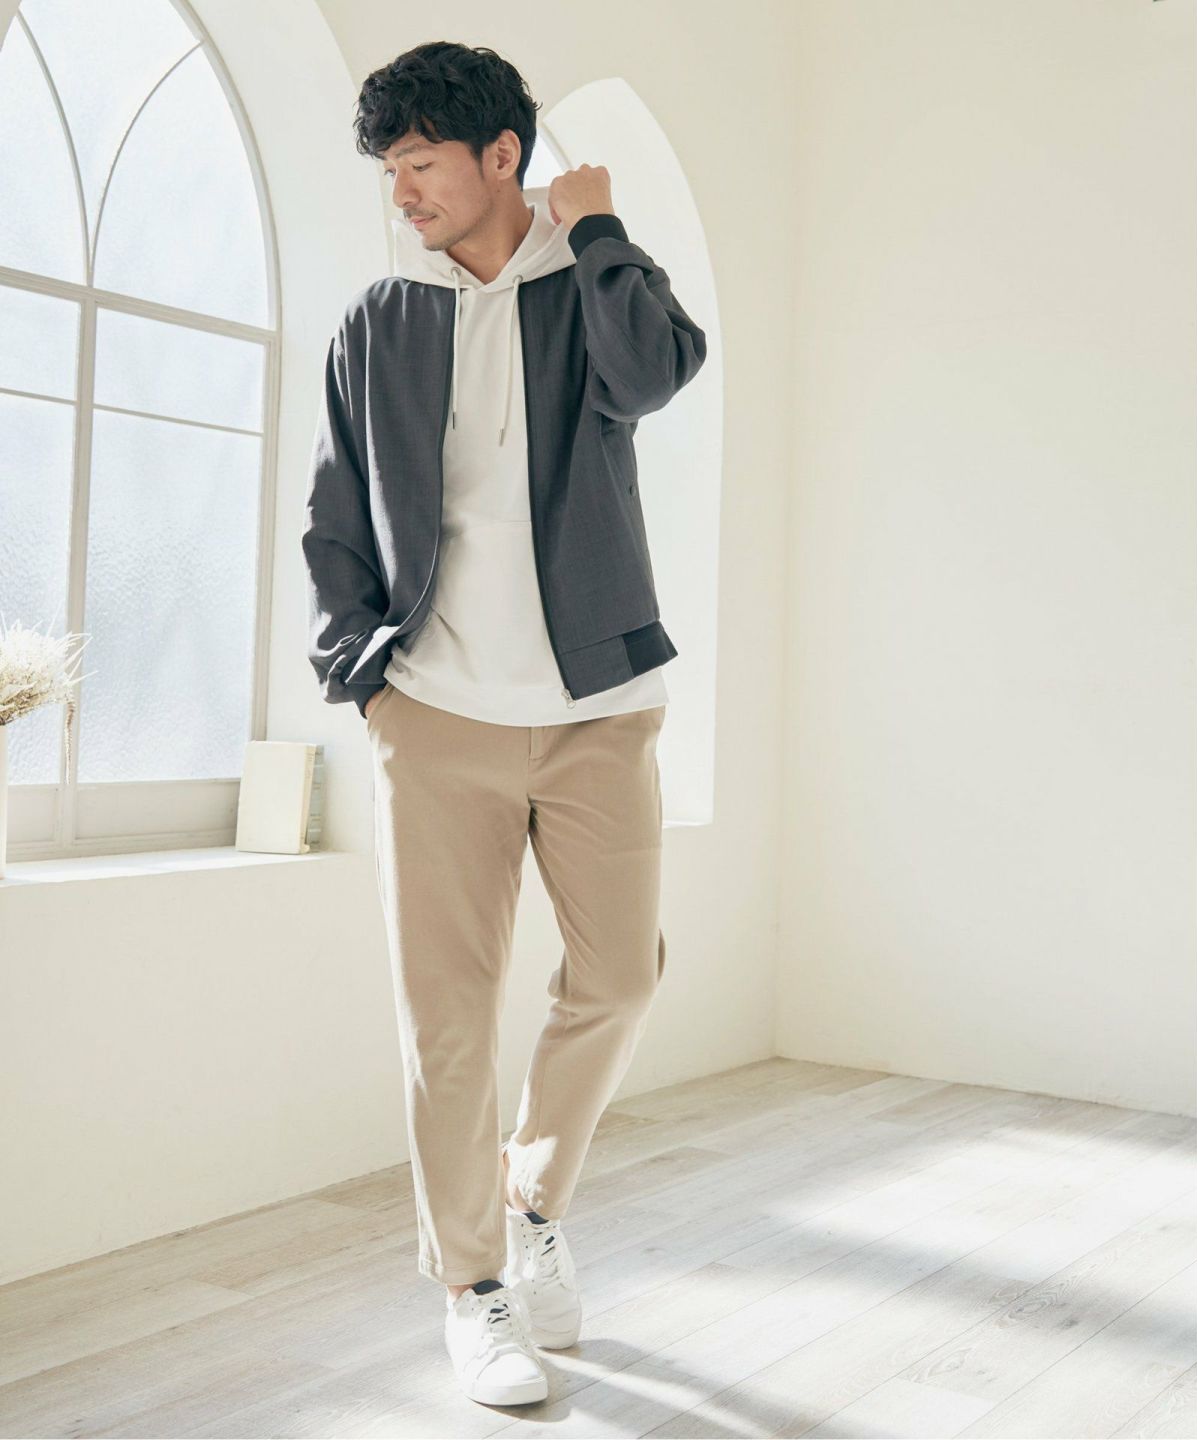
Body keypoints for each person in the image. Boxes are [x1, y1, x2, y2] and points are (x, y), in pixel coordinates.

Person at [302, 39, 706, 1407]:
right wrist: (365, 681)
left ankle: (531, 1200)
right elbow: (334, 514)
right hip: (436, 717)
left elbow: (656, 374)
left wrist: (597, 229)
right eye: (391, 170)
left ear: (502, 157)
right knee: (448, 1020)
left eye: (421, 164)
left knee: (622, 977)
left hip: (600, 707)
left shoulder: (592, 288)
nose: (403, 193)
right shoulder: (381, 321)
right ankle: (474, 1288)